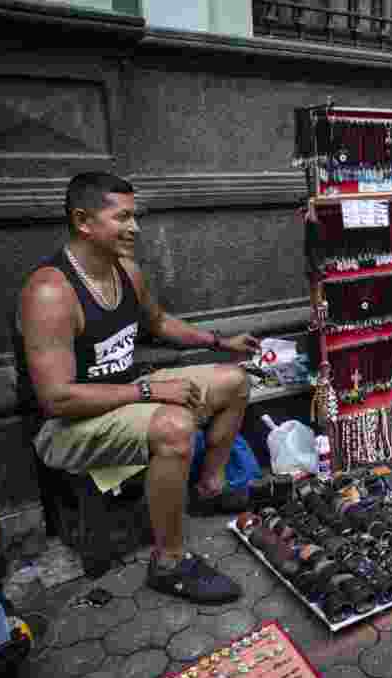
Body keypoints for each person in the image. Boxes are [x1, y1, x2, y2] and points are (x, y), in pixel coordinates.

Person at [15, 172, 261, 604]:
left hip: (124, 394)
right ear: (83, 221)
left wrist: (221, 343)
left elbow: (159, 323)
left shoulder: (125, 269)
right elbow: (56, 400)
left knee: (234, 382)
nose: (136, 228)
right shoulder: (51, 293)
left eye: (135, 216)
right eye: (123, 217)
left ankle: (209, 491)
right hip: (68, 427)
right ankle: (168, 563)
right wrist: (150, 394)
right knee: (175, 426)